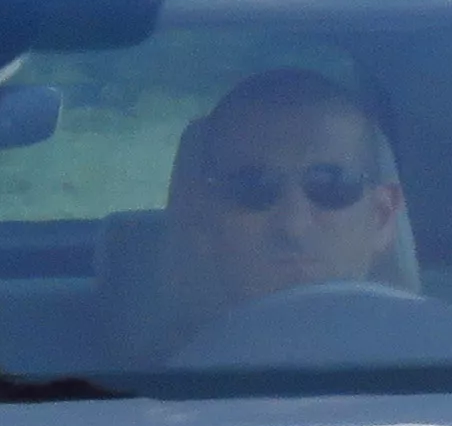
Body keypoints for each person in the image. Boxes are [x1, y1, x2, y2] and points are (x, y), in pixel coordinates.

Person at [154, 67, 415, 349]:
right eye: (252, 187)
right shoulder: (144, 380)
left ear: (382, 216)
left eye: (330, 184)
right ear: (202, 221)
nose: (294, 224)